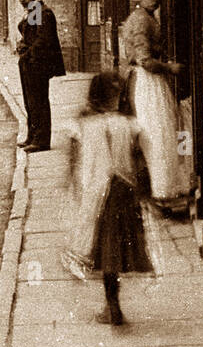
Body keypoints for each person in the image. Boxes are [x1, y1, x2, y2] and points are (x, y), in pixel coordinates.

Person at [63, 71, 156, 326]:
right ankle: (113, 303)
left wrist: (74, 188)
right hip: (123, 191)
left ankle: (111, 304)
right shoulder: (128, 124)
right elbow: (141, 161)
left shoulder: (81, 126)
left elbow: (73, 164)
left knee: (104, 249)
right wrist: (144, 191)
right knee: (116, 248)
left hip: (96, 194)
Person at [120, 0, 187, 210]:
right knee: (157, 134)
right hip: (147, 82)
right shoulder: (140, 20)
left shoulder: (146, 17)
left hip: (152, 81)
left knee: (167, 132)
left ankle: (165, 188)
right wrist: (170, 67)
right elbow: (145, 60)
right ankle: (161, 191)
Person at [15, 0, 65, 153]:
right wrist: (22, 45)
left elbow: (43, 40)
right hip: (29, 63)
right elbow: (30, 35)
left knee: (39, 101)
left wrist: (27, 52)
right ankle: (32, 135)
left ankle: (41, 140)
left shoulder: (43, 12)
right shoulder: (33, 12)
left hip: (38, 64)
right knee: (30, 101)